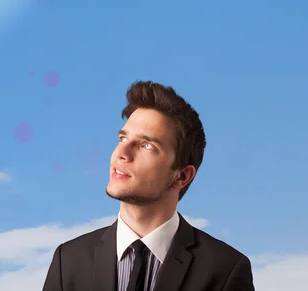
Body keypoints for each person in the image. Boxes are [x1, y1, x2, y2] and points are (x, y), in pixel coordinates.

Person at [42, 80, 254, 291]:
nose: (122, 154)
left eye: (147, 145)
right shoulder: (68, 261)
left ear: (182, 175)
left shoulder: (226, 270)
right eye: (122, 138)